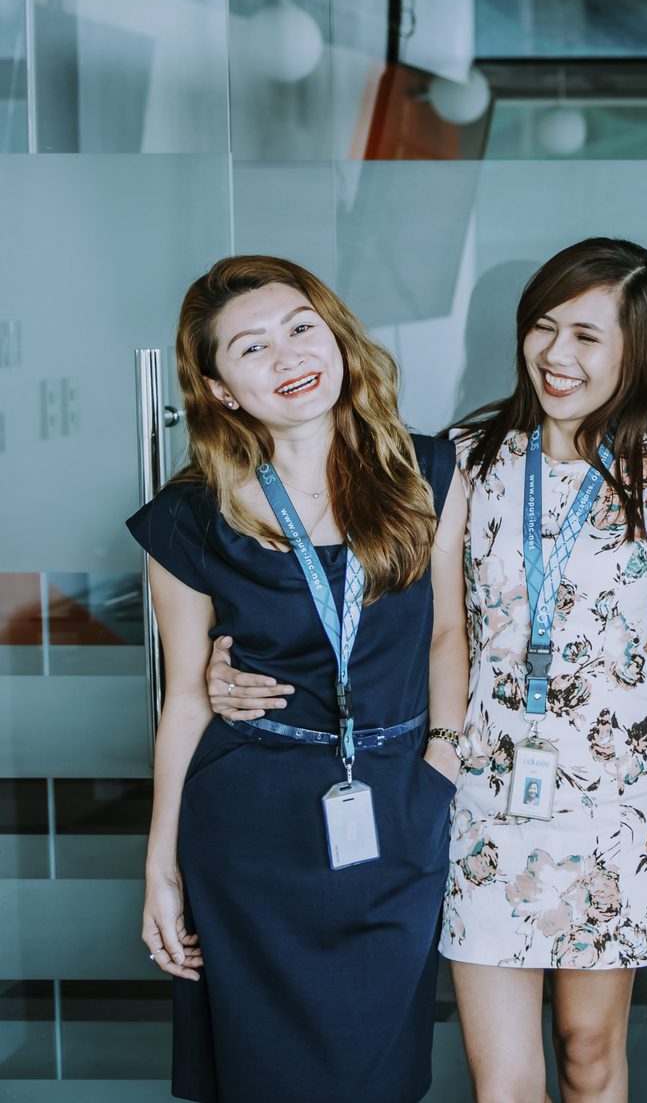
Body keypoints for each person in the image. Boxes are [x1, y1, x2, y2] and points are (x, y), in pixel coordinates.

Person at [211, 238, 647, 1103]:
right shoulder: (461, 459)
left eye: (588, 336)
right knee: (502, 1080)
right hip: (480, 788)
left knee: (590, 1052)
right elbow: (376, 597)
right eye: (544, 328)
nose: (557, 354)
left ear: (640, 349)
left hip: (615, 802)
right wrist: (227, 661)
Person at [130, 255, 466, 1103]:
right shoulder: (190, 514)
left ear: (338, 338)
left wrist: (442, 768)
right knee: (262, 1076)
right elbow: (183, 700)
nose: (286, 358)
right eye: (252, 348)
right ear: (218, 389)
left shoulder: (428, 471)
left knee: (379, 1072)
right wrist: (160, 868)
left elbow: (449, 633)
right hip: (250, 827)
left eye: (300, 328)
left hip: (394, 805)